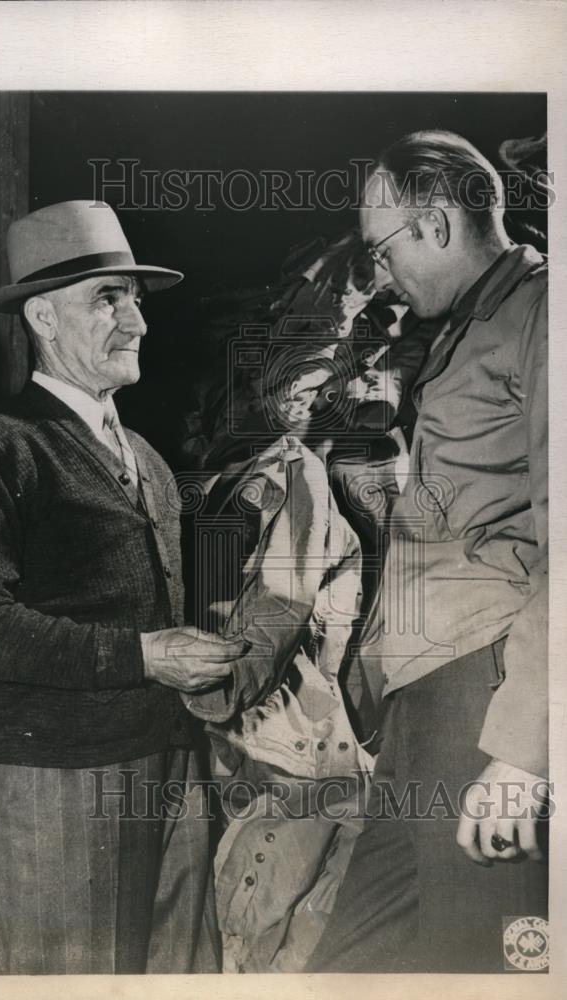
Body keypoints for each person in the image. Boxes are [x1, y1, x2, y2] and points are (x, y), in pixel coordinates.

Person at [0, 200, 247, 975]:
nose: (135, 321)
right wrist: (144, 655)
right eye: (107, 298)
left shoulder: (144, 453)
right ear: (41, 314)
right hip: (52, 779)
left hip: (168, 766)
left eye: (134, 299)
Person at [306, 131, 549, 973]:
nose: (381, 274)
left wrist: (521, 753)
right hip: (427, 692)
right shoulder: (469, 324)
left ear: (437, 225)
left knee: (479, 958)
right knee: (350, 965)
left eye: (383, 248)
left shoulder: (543, 313)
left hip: (486, 691)